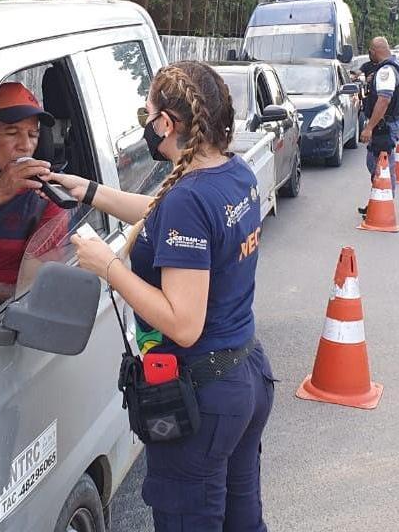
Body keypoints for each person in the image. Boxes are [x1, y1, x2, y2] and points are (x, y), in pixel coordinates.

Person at [48, 60, 274, 532]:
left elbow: (183, 323)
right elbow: (162, 212)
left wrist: (107, 267)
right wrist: (88, 190)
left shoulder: (189, 199)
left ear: (166, 124)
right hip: (244, 376)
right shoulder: (231, 173)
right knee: (242, 522)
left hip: (202, 397)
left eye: (145, 116)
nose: (145, 127)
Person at [0, 81, 67, 302]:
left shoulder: (47, 199)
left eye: (33, 134)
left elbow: (33, 294)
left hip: (1, 321)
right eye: (12, 132)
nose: (25, 145)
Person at [358, 36, 399, 216]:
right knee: (379, 163)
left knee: (380, 164)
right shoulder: (396, 65)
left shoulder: (386, 70)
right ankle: (379, 200)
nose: (369, 55)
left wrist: (369, 127)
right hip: (390, 122)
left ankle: (383, 203)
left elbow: (384, 100)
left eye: (370, 51)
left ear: (374, 50)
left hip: (383, 125)